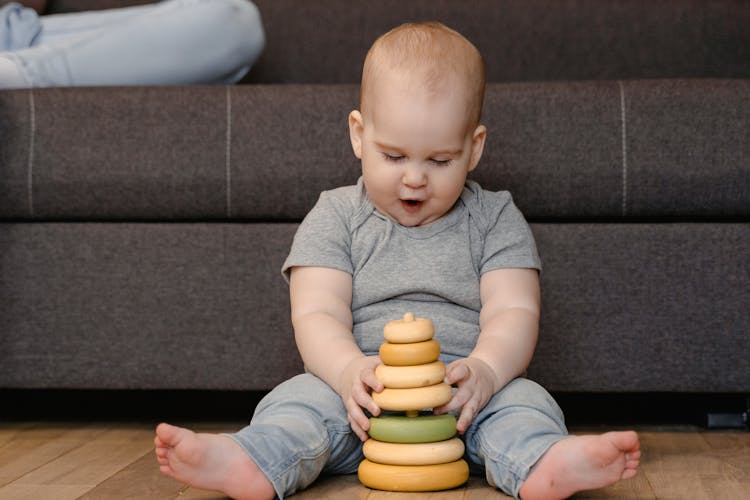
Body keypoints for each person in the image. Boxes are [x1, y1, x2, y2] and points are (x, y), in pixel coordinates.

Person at [154, 22, 641, 500]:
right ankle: (251, 457)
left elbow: (515, 310)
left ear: (473, 149)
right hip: (361, 397)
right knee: (298, 405)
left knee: (525, 403)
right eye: (393, 156)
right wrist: (347, 373)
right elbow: (316, 312)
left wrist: (487, 371)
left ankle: (545, 461)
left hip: (463, 398)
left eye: (439, 161)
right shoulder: (337, 215)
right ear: (359, 136)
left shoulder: (495, 217)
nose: (414, 179)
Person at [0, 0, 264, 87]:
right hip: (19, 48)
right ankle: (18, 75)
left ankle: (14, 73)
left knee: (232, 21)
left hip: (19, 33)